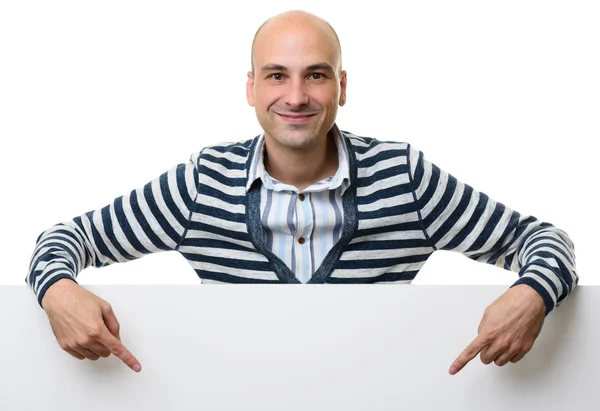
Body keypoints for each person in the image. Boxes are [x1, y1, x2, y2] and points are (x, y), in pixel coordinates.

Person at [26, 9, 578, 376]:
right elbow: (66, 240)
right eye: (276, 75)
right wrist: (58, 291)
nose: (295, 95)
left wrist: (532, 294)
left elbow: (542, 240)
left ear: (342, 86)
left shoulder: (402, 178)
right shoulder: (203, 184)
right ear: (250, 88)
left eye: (315, 75)